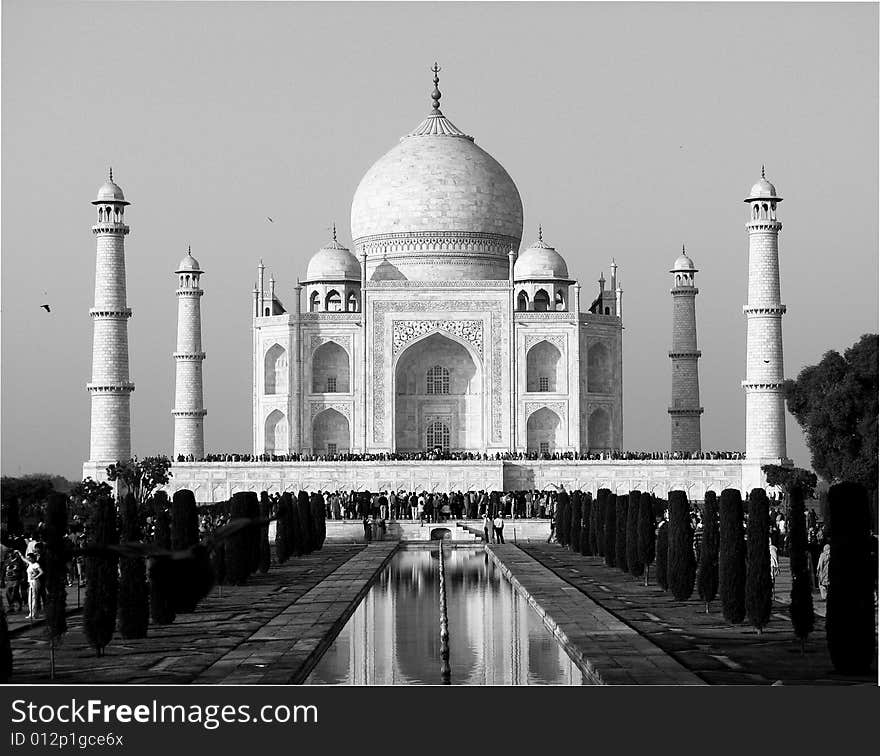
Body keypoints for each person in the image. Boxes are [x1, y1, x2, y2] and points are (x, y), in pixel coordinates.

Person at [25, 553, 43, 619]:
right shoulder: (30, 564)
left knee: (33, 598)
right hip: (30, 583)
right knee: (30, 599)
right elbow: (24, 559)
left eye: (29, 558)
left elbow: (41, 572)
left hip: (34, 582)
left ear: (32, 558)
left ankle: (33, 614)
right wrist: (19, 554)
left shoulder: (36, 564)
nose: (28, 559)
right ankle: (32, 613)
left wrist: (36, 577)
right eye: (28, 558)